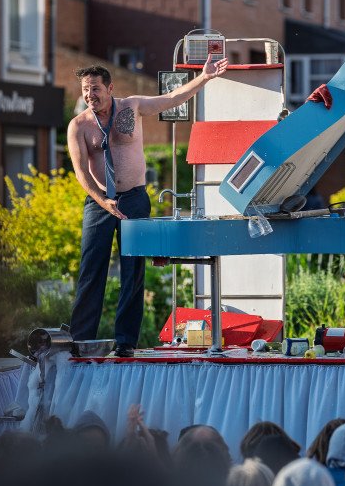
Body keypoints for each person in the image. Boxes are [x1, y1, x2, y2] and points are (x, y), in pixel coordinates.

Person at [68, 55, 227, 356]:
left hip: (134, 199)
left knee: (133, 270)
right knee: (92, 269)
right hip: (100, 202)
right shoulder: (79, 126)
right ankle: (81, 341)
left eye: (95, 88)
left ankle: (125, 342)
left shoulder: (132, 107)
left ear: (110, 87)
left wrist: (204, 77)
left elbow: (171, 98)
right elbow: (81, 172)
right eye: (85, 90)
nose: (90, 95)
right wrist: (103, 201)